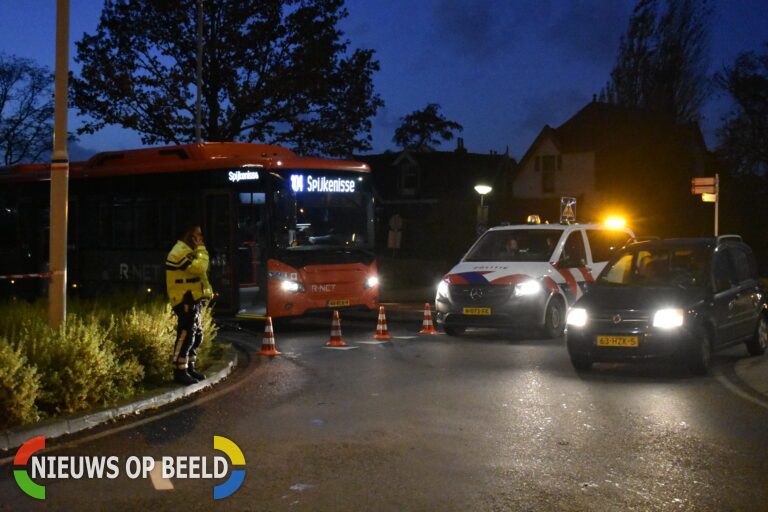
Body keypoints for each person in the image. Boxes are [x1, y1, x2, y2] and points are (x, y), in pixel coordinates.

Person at [165, 225, 213, 385]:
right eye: (197, 235)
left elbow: (202, 273)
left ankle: (189, 367)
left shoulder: (188, 251)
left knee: (196, 334)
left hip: (192, 299)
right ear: (189, 235)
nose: (201, 238)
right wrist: (202, 249)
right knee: (186, 335)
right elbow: (200, 268)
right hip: (184, 299)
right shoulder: (179, 252)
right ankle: (179, 371)